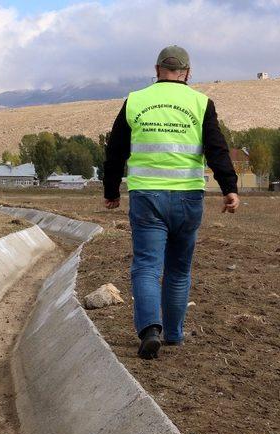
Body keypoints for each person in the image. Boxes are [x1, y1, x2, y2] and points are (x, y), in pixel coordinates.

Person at [102, 45, 239, 360]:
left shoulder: (135, 101)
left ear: (156, 69)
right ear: (188, 73)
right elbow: (216, 149)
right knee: (179, 269)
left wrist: (111, 190)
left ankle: (151, 330)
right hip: (189, 198)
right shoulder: (201, 103)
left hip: (147, 197)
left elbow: (116, 152)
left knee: (147, 266)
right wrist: (229, 187)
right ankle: (174, 334)